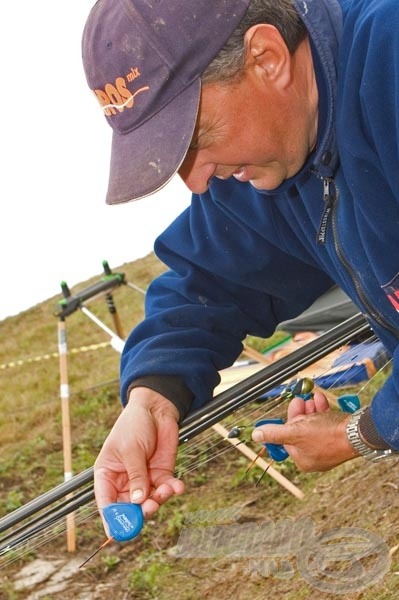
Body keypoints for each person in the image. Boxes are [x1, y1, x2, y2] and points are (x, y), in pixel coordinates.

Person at [81, 0, 399, 526]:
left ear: (267, 58)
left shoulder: (388, 56)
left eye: (196, 141)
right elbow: (206, 285)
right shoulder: (271, 162)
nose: (198, 181)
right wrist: (153, 398)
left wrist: (365, 431)